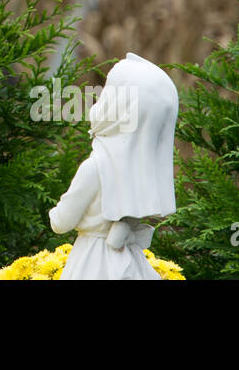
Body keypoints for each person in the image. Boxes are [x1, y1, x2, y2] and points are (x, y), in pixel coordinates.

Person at [48, 52, 178, 279]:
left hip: (90, 262)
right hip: (132, 263)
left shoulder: (95, 167)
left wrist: (55, 213)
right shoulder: (141, 173)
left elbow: (62, 222)